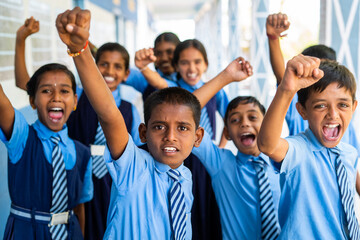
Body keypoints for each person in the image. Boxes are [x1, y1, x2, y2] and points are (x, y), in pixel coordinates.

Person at [55, 7, 205, 239]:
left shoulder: (185, 177)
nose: (170, 136)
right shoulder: (134, 167)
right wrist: (81, 51)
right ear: (143, 132)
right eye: (159, 126)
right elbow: (109, 115)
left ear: (198, 137)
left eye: (182, 128)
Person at [135, 38, 229, 239]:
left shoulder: (216, 90)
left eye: (197, 61)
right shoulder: (172, 88)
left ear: (205, 64)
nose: (191, 68)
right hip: (175, 159)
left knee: (205, 209)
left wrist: (219, 148)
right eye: (184, 63)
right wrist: (143, 68)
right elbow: (157, 81)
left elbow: (230, 118)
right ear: (176, 66)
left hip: (205, 162)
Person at [258, 54, 359, 238]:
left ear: (353, 107)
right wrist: (286, 90)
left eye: (343, 105)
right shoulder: (299, 150)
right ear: (302, 111)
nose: (333, 115)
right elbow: (267, 145)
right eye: (321, 106)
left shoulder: (349, 153)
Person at [0, 63, 93, 239]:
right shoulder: (21, 137)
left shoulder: (83, 153)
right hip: (26, 233)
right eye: (46, 91)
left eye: (64, 91)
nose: (56, 97)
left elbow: (80, 207)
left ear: (75, 101)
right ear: (32, 101)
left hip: (69, 233)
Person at [191, 58, 281, 240]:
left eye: (253, 117)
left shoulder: (284, 162)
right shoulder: (221, 164)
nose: (245, 123)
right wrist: (226, 77)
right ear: (227, 133)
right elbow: (185, 111)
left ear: (267, 125)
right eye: (235, 120)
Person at [66, 42, 142, 240]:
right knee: (82, 226)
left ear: (126, 74)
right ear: (94, 67)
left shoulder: (129, 109)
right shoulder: (78, 98)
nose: (109, 71)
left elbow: (136, 148)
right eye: (104, 64)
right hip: (79, 173)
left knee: (110, 225)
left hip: (113, 178)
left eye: (117, 66)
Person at [266, 13, 360, 153]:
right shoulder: (301, 103)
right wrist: (273, 39)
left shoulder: (345, 124)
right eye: (315, 74)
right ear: (302, 110)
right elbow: (283, 79)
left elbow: (352, 166)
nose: (333, 114)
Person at [126, 32, 180, 101]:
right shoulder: (145, 80)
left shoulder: (189, 80)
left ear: (180, 52)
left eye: (169, 52)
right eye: (159, 53)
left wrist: (143, 67)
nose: (164, 58)